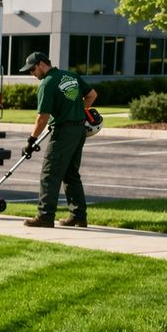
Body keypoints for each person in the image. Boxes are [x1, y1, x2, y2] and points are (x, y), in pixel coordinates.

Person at [19, 51, 97, 228]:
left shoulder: (47, 83)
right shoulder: (71, 75)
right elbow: (92, 95)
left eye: (32, 70)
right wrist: (76, 110)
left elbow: (42, 117)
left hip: (63, 132)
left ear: (41, 65)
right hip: (78, 130)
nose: (32, 74)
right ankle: (78, 216)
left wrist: (31, 140)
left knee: (50, 174)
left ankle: (45, 216)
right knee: (71, 174)